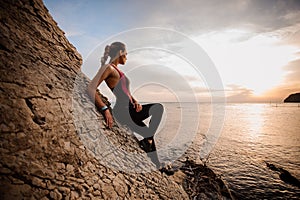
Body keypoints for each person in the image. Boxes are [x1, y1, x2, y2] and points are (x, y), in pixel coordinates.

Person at [88, 42, 171, 173]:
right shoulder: (108, 68)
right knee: (158, 108)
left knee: (148, 133)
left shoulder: (118, 71)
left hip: (131, 110)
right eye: (126, 53)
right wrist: (104, 109)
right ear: (120, 53)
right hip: (123, 112)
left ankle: (157, 165)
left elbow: (125, 92)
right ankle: (149, 142)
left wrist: (135, 100)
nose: (127, 56)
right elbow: (91, 88)